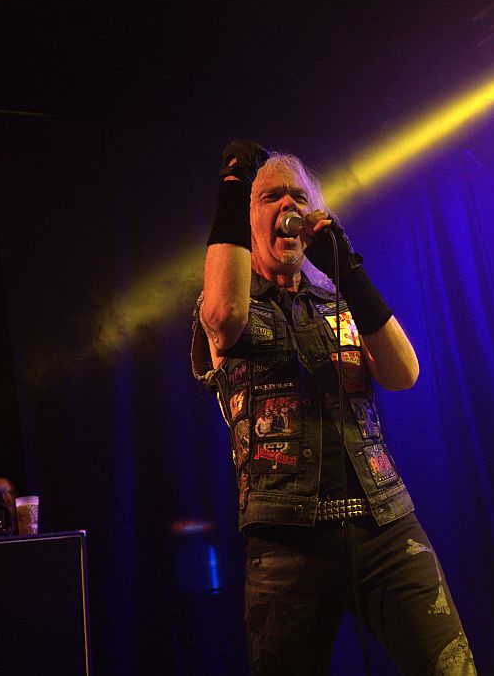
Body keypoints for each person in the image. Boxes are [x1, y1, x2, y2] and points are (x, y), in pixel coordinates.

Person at [191, 140, 476, 674]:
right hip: (286, 539)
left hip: (385, 523)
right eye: (270, 197)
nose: (288, 206)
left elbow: (404, 373)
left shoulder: (338, 301)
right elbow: (226, 315)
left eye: (298, 196)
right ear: (247, 220)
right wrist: (233, 186)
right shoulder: (228, 302)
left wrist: (350, 271)